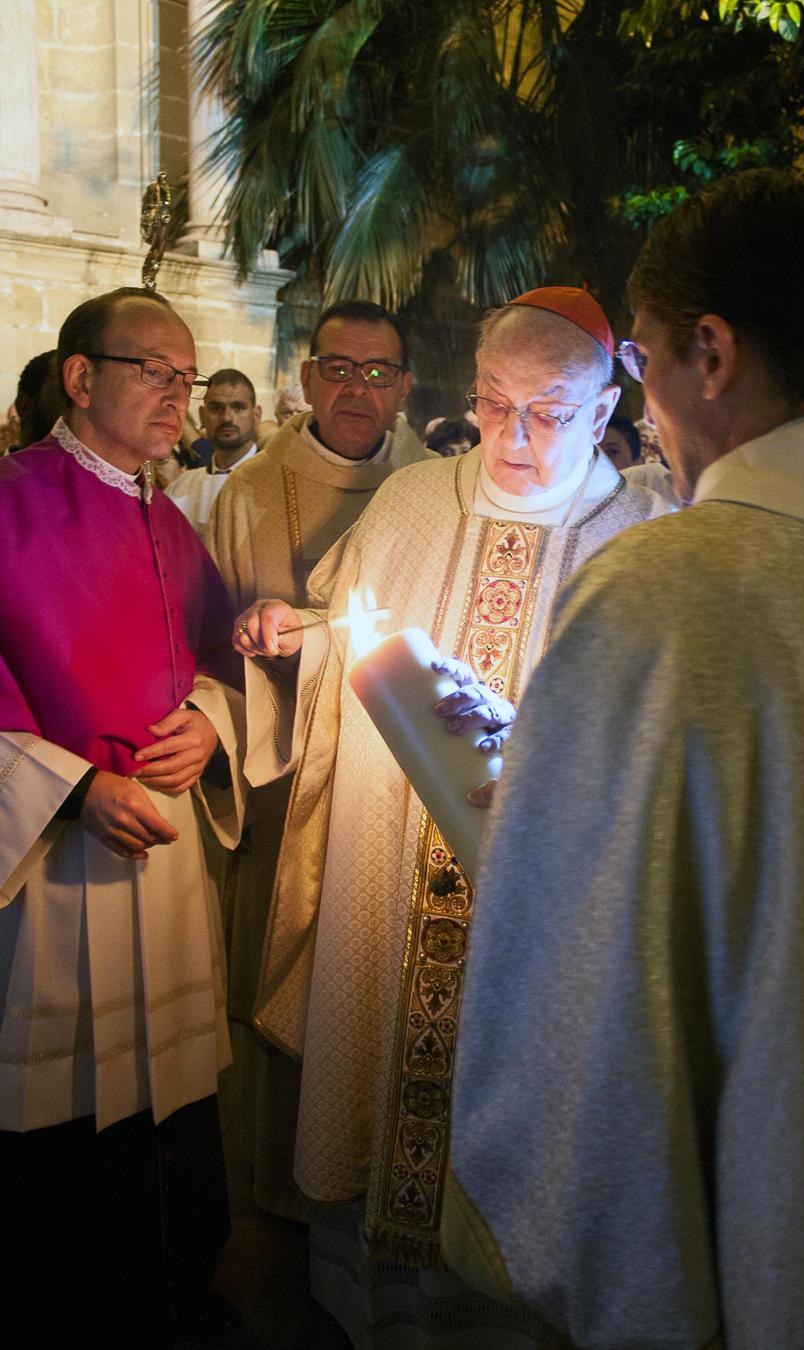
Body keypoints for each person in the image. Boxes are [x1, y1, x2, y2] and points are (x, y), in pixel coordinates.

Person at [443, 171, 804, 1350]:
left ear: (713, 351)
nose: (645, 410)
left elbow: (582, 1010)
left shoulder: (667, 590)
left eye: (639, 367)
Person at [233, 286, 672, 1348]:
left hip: (552, 910)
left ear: (608, 401)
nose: (515, 437)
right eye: (494, 404)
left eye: (550, 411)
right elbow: (362, 628)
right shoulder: (416, 501)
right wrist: (309, 635)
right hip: (396, 874)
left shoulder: (648, 533)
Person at [0, 285, 246, 1349]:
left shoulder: (169, 518)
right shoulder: (7, 504)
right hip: (54, 873)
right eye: (156, 370)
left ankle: (175, 1306)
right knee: (62, 1157)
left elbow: (220, 658)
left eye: (186, 379)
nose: (177, 397)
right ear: (81, 376)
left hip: (167, 867)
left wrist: (210, 721)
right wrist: (69, 788)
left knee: (176, 1129)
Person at [206, 298, 429, 1222]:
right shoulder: (252, 492)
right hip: (282, 789)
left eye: (379, 374)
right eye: (340, 369)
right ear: (304, 379)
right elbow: (208, 662)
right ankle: (267, 1211)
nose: (358, 391)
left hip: (394, 793)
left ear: (406, 388)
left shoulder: (439, 488)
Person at [166, 367, 261, 542]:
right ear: (202, 416)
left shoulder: (273, 483)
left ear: (256, 416)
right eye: (216, 408)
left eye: (238, 407)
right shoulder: (180, 487)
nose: (227, 418)